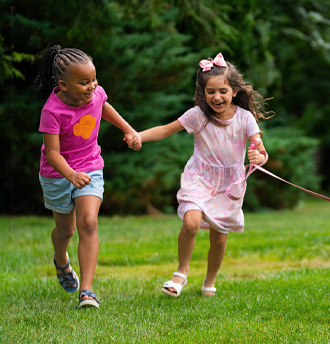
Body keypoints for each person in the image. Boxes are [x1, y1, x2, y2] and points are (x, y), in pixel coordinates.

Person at [134, 53, 272, 297]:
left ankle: (209, 281)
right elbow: (166, 129)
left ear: (234, 91)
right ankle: (181, 272)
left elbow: (259, 148)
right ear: (202, 92)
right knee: (191, 222)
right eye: (210, 92)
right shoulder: (198, 115)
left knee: (219, 239)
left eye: (222, 91)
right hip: (200, 177)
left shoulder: (245, 118)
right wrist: (139, 136)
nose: (216, 97)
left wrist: (259, 157)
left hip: (229, 185)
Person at [35, 45, 141, 308]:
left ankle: (87, 290)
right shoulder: (52, 111)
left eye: (93, 79)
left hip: (91, 165)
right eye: (84, 82)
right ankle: (61, 260)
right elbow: (52, 153)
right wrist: (70, 174)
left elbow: (104, 107)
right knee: (65, 230)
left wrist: (127, 129)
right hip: (58, 174)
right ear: (63, 85)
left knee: (89, 222)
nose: (92, 86)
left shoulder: (96, 94)